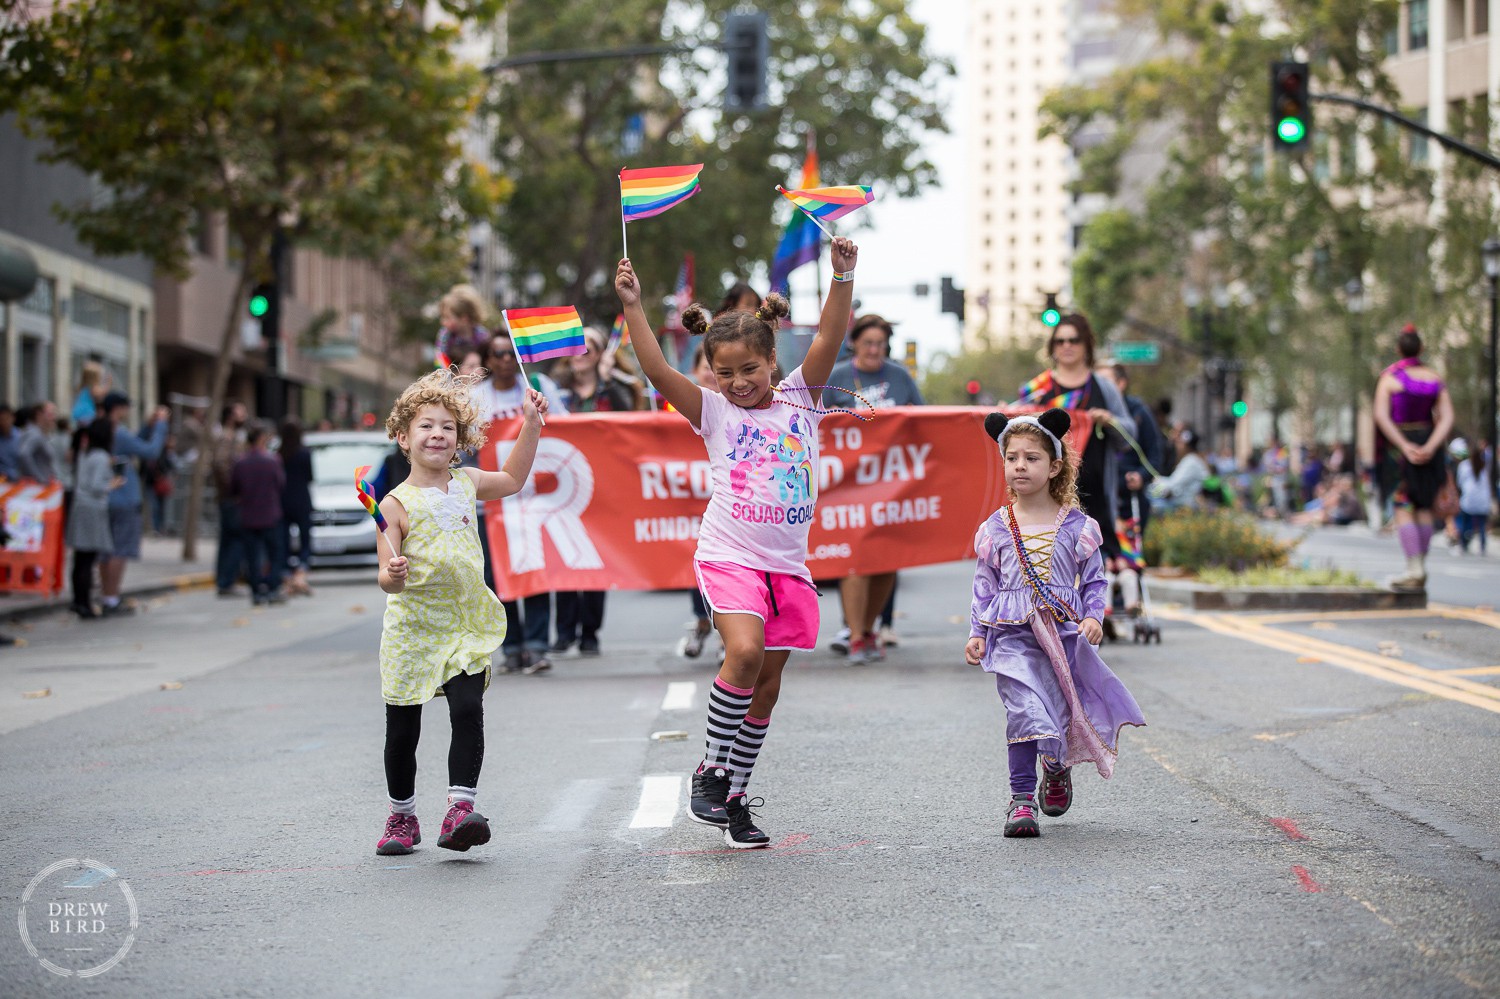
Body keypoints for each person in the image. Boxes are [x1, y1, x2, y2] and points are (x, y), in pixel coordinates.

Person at [616, 235, 857, 848]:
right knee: (744, 654)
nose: (739, 382)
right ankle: (710, 770)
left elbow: (828, 337)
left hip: (788, 567)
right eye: (724, 374)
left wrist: (842, 276)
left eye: (750, 370)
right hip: (730, 556)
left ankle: (735, 797)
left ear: (773, 361)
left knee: (767, 689)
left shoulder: (803, 398)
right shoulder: (714, 414)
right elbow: (655, 368)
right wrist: (634, 306)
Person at [372, 367, 548, 857]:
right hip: (413, 632)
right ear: (404, 438)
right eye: (426, 425)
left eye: (447, 426)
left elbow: (513, 479)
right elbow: (386, 576)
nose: (437, 434)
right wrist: (396, 576)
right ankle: (402, 817)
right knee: (403, 731)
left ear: (460, 439)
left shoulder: (468, 482)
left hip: (465, 627)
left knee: (468, 709)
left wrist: (531, 425)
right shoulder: (393, 505)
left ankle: (459, 810)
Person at [965, 410, 1145, 838]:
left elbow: (1096, 579)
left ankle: (1056, 764)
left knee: (1059, 714)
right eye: (1012, 458)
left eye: (1032, 458)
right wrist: (977, 632)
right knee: (1023, 710)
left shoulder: (1080, 528)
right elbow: (984, 584)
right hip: (1011, 635)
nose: (1020, 466)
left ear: (1055, 467)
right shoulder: (994, 529)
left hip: (1064, 637)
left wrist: (1092, 615)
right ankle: (1022, 799)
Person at [818, 314, 925, 663]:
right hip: (847, 486)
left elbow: (924, 421)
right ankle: (857, 636)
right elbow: (812, 421)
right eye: (868, 343)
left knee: (886, 561)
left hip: (893, 485)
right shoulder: (835, 378)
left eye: (881, 343)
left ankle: (867, 629)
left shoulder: (899, 376)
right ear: (854, 344)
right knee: (856, 560)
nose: (875, 349)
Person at [469, 330, 566, 675]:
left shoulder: (538, 388)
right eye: (498, 354)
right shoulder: (473, 397)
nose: (506, 360)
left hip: (533, 498)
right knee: (497, 577)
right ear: (488, 360)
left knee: (535, 570)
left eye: (511, 353)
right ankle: (511, 647)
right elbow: (463, 443)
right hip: (491, 504)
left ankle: (537, 646)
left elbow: (567, 428)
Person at [1018, 314, 1137, 561]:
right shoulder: (1037, 389)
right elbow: (1017, 433)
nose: (1067, 346)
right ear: (1052, 348)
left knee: (1096, 565)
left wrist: (1111, 420)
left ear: (1087, 345)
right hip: (1046, 495)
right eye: (1060, 341)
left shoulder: (1104, 387)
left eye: (1074, 339)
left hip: (1096, 494)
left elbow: (1129, 435)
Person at [550, 326, 635, 657]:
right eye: (575, 348)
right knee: (563, 554)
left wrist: (608, 379)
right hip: (562, 485)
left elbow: (627, 416)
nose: (580, 354)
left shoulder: (611, 389)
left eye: (589, 348)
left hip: (602, 486)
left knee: (595, 557)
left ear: (600, 355)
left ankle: (590, 633)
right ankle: (564, 631)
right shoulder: (557, 393)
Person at [1373, 327, 1455, 589]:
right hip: (1428, 446)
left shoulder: (1390, 378)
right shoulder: (1433, 377)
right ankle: (1418, 566)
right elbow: (1447, 418)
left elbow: (1382, 418)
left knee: (1404, 504)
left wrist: (1404, 446)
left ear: (1399, 349)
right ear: (1421, 349)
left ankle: (1414, 566)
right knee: (1423, 506)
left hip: (1402, 448)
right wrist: (1430, 445)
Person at [101, 392, 169, 616]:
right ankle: (111, 598)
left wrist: (146, 427)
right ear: (117, 408)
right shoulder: (115, 431)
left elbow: (133, 445)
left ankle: (107, 596)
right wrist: (160, 426)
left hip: (105, 498)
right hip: (122, 498)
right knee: (118, 550)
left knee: (106, 550)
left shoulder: (102, 429)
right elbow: (149, 450)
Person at [65, 417, 118, 619]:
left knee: (80, 559)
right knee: (87, 559)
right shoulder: (101, 456)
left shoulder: (85, 454)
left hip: (80, 506)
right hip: (92, 509)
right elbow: (97, 486)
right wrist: (112, 484)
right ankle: (84, 604)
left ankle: (78, 601)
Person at [229, 421, 286, 605]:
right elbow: (280, 484)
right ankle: (272, 588)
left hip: (249, 516)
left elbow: (233, 489)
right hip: (270, 515)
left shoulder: (241, 463)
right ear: (261, 439)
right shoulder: (273, 461)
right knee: (274, 554)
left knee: (252, 556)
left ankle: (256, 591)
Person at [212, 402, 249, 596]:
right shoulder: (227, 437)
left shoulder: (233, 436)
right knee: (234, 539)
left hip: (229, 497)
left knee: (228, 539)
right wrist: (233, 489)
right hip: (231, 498)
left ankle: (224, 580)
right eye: (240, 412)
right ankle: (227, 580)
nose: (244, 415)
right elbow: (220, 463)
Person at [279, 417, 315, 596]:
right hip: (301, 501)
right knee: (305, 541)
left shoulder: (279, 454)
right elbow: (310, 477)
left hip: (283, 501)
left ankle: (287, 578)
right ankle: (300, 575)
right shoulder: (304, 454)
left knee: (284, 542)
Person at [1149, 428, 1209, 513]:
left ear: (1186, 445)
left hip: (1186, 505)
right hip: (1186, 502)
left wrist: (1156, 480)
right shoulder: (1194, 459)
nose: (1177, 446)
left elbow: (1173, 484)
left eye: (1179, 443)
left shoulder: (1191, 461)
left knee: (1151, 502)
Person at [437, 283, 488, 369]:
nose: (442, 322)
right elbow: (440, 363)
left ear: (463, 319)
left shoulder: (481, 336)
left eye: (447, 317)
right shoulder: (445, 335)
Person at [1456, 439, 1492, 555]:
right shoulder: (1485, 466)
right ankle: (1482, 546)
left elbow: (1459, 482)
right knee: (1482, 525)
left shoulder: (1464, 465)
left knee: (1465, 522)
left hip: (1469, 499)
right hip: (1483, 499)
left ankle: (1463, 544)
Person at [15, 401, 60, 483]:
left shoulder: (41, 434)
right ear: (39, 415)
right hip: (36, 487)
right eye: (51, 414)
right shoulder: (35, 434)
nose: (54, 417)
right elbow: (23, 454)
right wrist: (38, 478)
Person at [71, 360, 110, 425]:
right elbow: (102, 394)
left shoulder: (82, 387)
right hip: (87, 413)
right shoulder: (92, 388)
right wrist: (108, 384)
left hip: (79, 412)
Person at [0, 404, 18, 480]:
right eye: (1, 419)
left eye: (6, 418)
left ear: (13, 418)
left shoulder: (20, 437)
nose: (4, 422)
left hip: (19, 481)